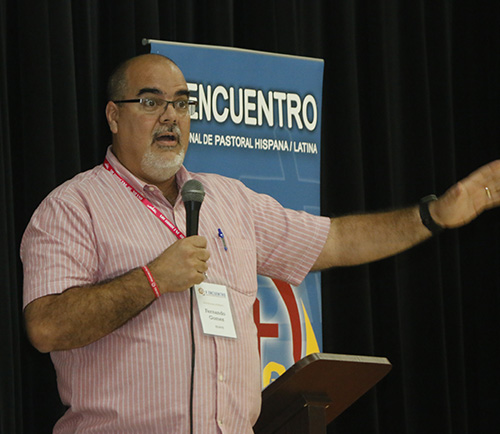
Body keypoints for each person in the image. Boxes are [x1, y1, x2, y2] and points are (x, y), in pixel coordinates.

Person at [21, 53, 500, 433]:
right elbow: (45, 326)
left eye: (182, 103)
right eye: (150, 102)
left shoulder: (228, 199)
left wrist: (433, 214)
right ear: (113, 115)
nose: (170, 117)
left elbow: (334, 241)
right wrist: (152, 279)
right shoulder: (72, 206)